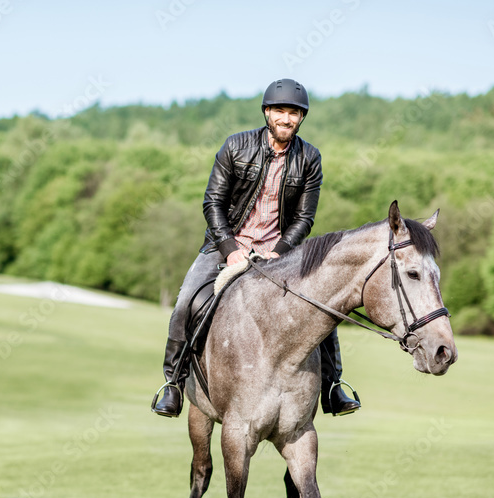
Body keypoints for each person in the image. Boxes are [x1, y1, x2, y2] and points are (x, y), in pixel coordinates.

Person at [151, 78, 361, 418]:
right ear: (267, 112)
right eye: (280, 110)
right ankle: (173, 384)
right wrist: (230, 247)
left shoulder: (310, 158)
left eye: (293, 113)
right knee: (186, 301)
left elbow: (305, 218)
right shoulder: (236, 146)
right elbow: (213, 202)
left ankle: (334, 387)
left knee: (322, 307)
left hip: (281, 253)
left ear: (301, 118)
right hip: (225, 247)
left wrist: (280, 252)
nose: (286, 118)